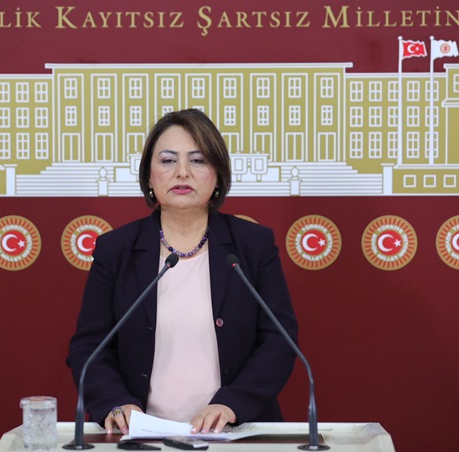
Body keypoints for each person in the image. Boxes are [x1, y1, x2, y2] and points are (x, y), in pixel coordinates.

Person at [66, 108, 298, 436]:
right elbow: (89, 347)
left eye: (198, 160)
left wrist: (232, 404)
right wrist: (115, 402)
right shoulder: (116, 250)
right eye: (168, 160)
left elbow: (279, 340)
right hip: (140, 435)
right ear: (149, 176)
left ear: (218, 175)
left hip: (234, 432)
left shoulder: (252, 246)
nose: (182, 173)